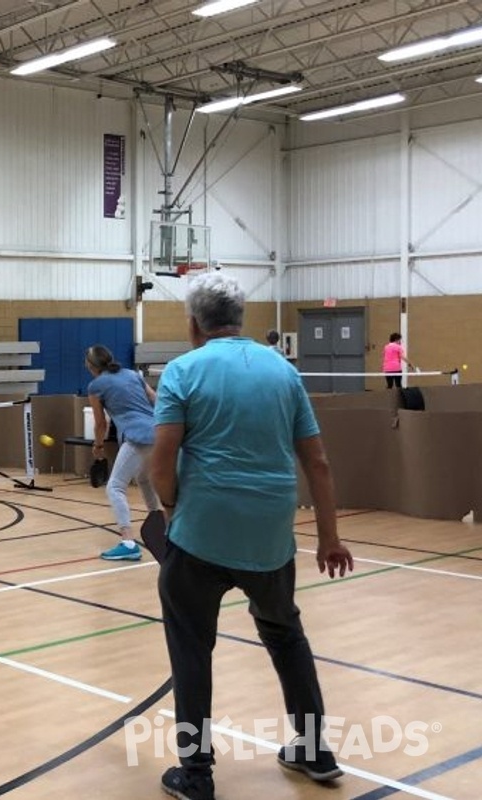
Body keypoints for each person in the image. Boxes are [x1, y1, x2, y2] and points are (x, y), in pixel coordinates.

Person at [149, 272, 354, 800]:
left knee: (192, 651)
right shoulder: (283, 372)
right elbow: (319, 462)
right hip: (270, 539)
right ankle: (313, 750)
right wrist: (329, 537)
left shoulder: (182, 370)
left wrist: (171, 510)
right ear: (241, 320)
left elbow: (162, 459)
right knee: (287, 638)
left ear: (194, 324)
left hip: (198, 536)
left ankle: (196, 775)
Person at [84, 344, 159, 561]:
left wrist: (98, 447)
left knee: (115, 487)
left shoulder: (95, 385)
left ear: (90, 365)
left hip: (137, 437)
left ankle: (128, 542)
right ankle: (161, 525)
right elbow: (155, 399)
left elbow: (100, 424)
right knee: (144, 479)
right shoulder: (131, 374)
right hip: (158, 432)